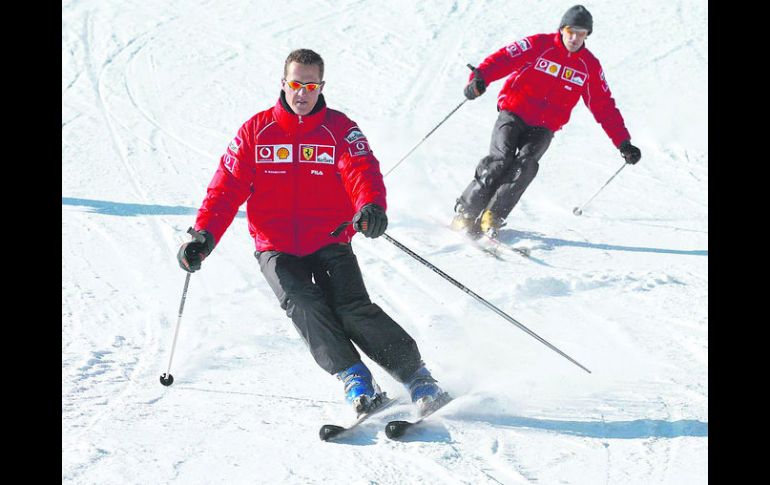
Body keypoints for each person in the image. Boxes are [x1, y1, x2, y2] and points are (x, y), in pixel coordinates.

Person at [176, 49, 448, 417]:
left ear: (321, 87)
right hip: (276, 245)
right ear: (283, 84)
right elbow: (225, 189)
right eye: (294, 84)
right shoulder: (256, 131)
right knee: (302, 303)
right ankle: (355, 378)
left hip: (330, 236)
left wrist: (370, 206)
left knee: (352, 308)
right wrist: (204, 236)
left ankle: (417, 377)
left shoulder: (339, 128)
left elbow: (361, 169)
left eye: (309, 85)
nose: (301, 93)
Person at [452, 5, 642, 237]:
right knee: (501, 160)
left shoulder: (588, 66)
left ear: (587, 35)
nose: (574, 38)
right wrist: (479, 79)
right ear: (562, 29)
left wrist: (623, 142)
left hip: (544, 127)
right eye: (571, 31)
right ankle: (467, 212)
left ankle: (493, 216)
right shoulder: (539, 45)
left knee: (526, 165)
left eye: (581, 33)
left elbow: (603, 105)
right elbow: (504, 59)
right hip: (513, 113)